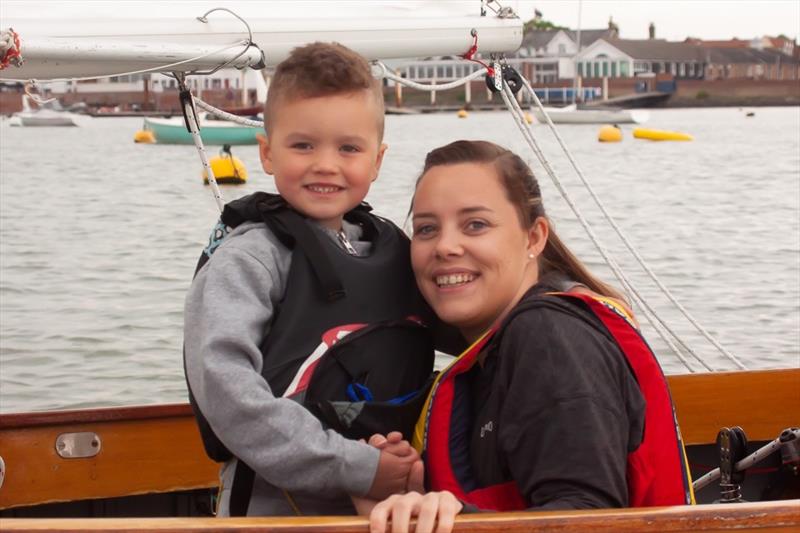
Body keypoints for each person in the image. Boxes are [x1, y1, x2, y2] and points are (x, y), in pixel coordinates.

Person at [364, 140, 694, 533]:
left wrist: (454, 521)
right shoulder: (497, 350)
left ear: (534, 237)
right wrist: (404, 499)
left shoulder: (551, 338)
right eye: (426, 229)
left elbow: (586, 521)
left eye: (476, 225)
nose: (445, 246)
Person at [183, 42, 431, 517]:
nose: (325, 164)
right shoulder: (249, 260)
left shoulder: (392, 250)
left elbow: (470, 319)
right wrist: (361, 467)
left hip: (388, 499)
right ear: (268, 153)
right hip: (272, 514)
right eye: (303, 145)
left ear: (377, 161)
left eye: (348, 148)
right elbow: (228, 392)